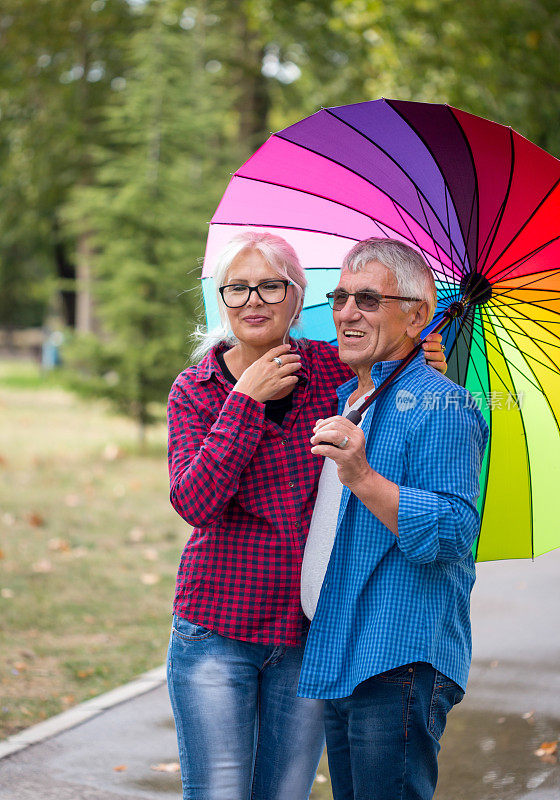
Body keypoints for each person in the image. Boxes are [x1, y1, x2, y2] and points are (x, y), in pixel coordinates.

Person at [166, 231, 447, 800]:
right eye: (238, 288)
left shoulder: (329, 370)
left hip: (306, 636)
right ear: (221, 300)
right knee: (219, 792)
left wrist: (425, 361)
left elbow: (398, 401)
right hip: (215, 629)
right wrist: (243, 402)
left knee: (285, 793)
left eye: (271, 285)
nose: (253, 300)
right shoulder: (196, 389)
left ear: (298, 299)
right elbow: (195, 503)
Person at [299, 237, 489, 800]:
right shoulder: (349, 400)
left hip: (398, 657)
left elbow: (455, 528)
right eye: (340, 297)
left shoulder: (442, 404)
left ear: (418, 314)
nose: (346, 313)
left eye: (368, 299)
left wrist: (360, 474)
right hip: (344, 647)